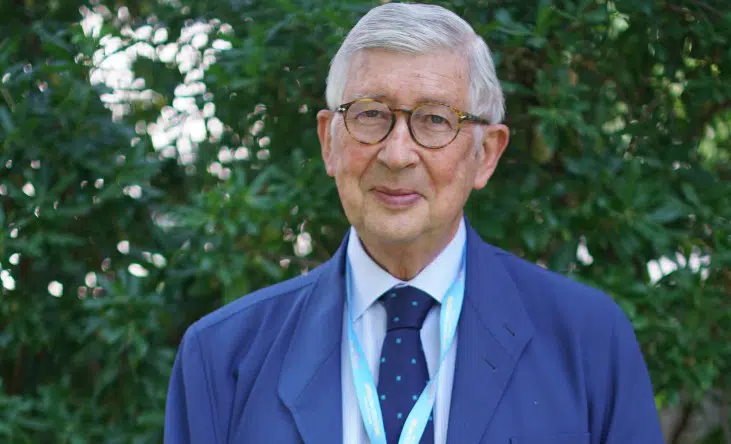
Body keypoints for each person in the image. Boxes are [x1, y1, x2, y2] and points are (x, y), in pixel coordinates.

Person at [163, 3, 665, 443]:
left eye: (435, 119)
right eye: (370, 114)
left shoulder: (587, 341)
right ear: (328, 142)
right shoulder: (222, 357)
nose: (397, 154)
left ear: (487, 154)